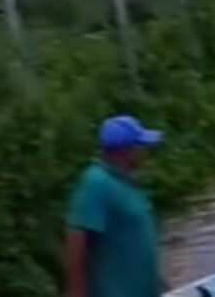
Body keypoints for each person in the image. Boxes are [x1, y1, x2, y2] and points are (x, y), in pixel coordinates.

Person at [65, 115, 165, 297]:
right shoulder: (96, 184)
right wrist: (77, 293)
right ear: (125, 151)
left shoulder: (126, 182)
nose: (144, 152)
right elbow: (78, 240)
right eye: (139, 146)